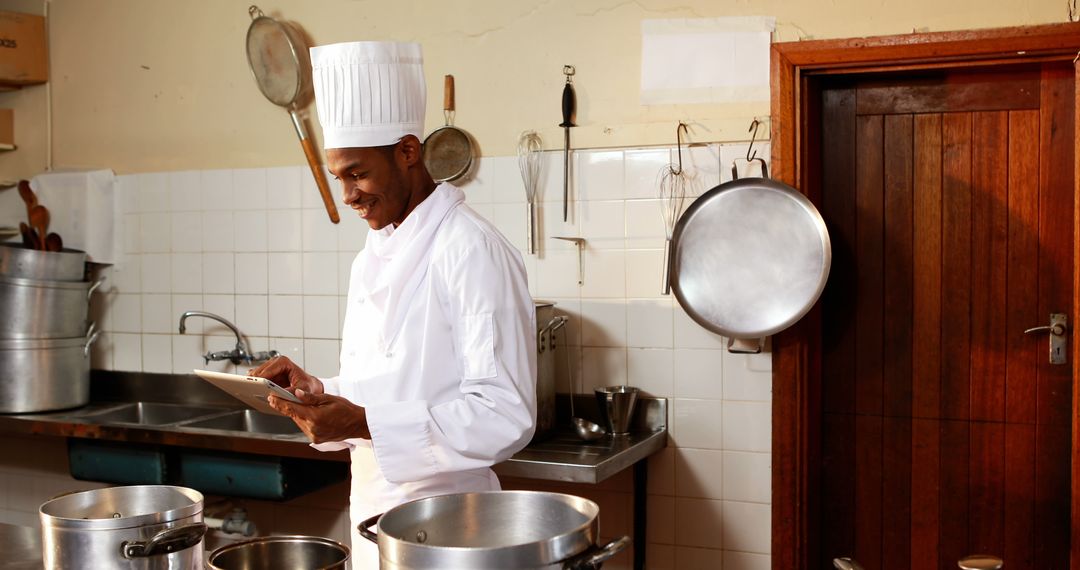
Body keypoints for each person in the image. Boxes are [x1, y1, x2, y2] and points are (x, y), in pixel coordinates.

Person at [249, 40, 537, 569]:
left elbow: (505, 414)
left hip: (453, 527)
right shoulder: (376, 251)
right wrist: (319, 393)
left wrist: (361, 423)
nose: (349, 196)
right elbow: (387, 385)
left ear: (408, 152)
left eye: (357, 174)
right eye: (340, 178)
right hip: (376, 513)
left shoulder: (471, 249)